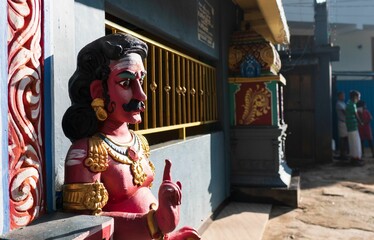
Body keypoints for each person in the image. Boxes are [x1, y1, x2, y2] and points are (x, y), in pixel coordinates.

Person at [61, 33, 200, 240]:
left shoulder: (139, 141)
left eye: (141, 81)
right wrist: (155, 223)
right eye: (126, 84)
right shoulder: (86, 152)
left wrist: (168, 227)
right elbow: (83, 226)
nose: (141, 94)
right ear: (98, 92)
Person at [345, 90, 364, 166]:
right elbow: (356, 116)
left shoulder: (349, 103)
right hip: (353, 127)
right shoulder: (352, 105)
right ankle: (356, 159)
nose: (359, 99)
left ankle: (354, 158)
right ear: (355, 97)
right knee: (355, 143)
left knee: (352, 143)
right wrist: (361, 123)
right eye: (358, 97)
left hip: (350, 127)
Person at [336, 91, 348, 160]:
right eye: (342, 95)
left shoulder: (343, 103)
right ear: (339, 96)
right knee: (342, 139)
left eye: (344, 95)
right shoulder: (338, 104)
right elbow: (345, 112)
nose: (343, 97)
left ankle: (345, 154)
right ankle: (342, 155)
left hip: (345, 123)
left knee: (345, 139)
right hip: (342, 123)